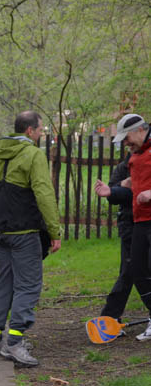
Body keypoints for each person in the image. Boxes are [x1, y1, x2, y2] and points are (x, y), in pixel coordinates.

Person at [0, 110, 61, 367]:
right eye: (40, 129)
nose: (41, 133)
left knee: (5, 284)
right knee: (29, 286)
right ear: (30, 131)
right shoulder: (33, 154)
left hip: (0, 233)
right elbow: (44, 194)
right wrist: (55, 232)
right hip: (24, 233)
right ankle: (15, 343)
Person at [112, 113, 151, 341]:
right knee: (137, 271)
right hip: (139, 221)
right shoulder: (136, 156)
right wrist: (121, 186)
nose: (125, 143)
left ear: (139, 130)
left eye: (127, 138)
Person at [94, 154, 144, 330]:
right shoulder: (125, 166)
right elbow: (112, 194)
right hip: (130, 224)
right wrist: (123, 186)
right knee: (129, 271)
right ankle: (110, 318)